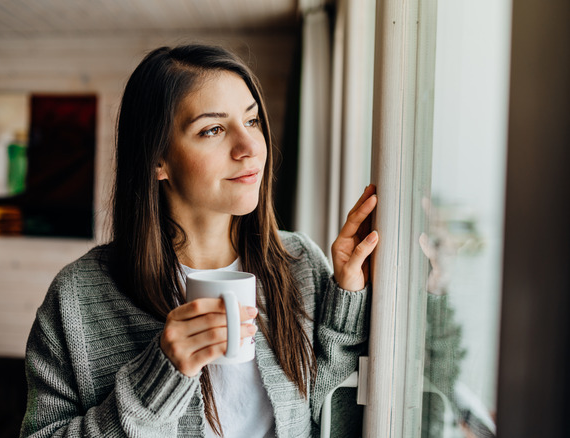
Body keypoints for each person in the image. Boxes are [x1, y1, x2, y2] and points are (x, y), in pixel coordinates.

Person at [19, 44, 379, 438]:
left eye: (253, 121)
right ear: (157, 159)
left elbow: (334, 418)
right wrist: (158, 378)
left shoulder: (300, 263)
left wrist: (346, 293)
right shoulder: (78, 296)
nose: (249, 148)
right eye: (213, 129)